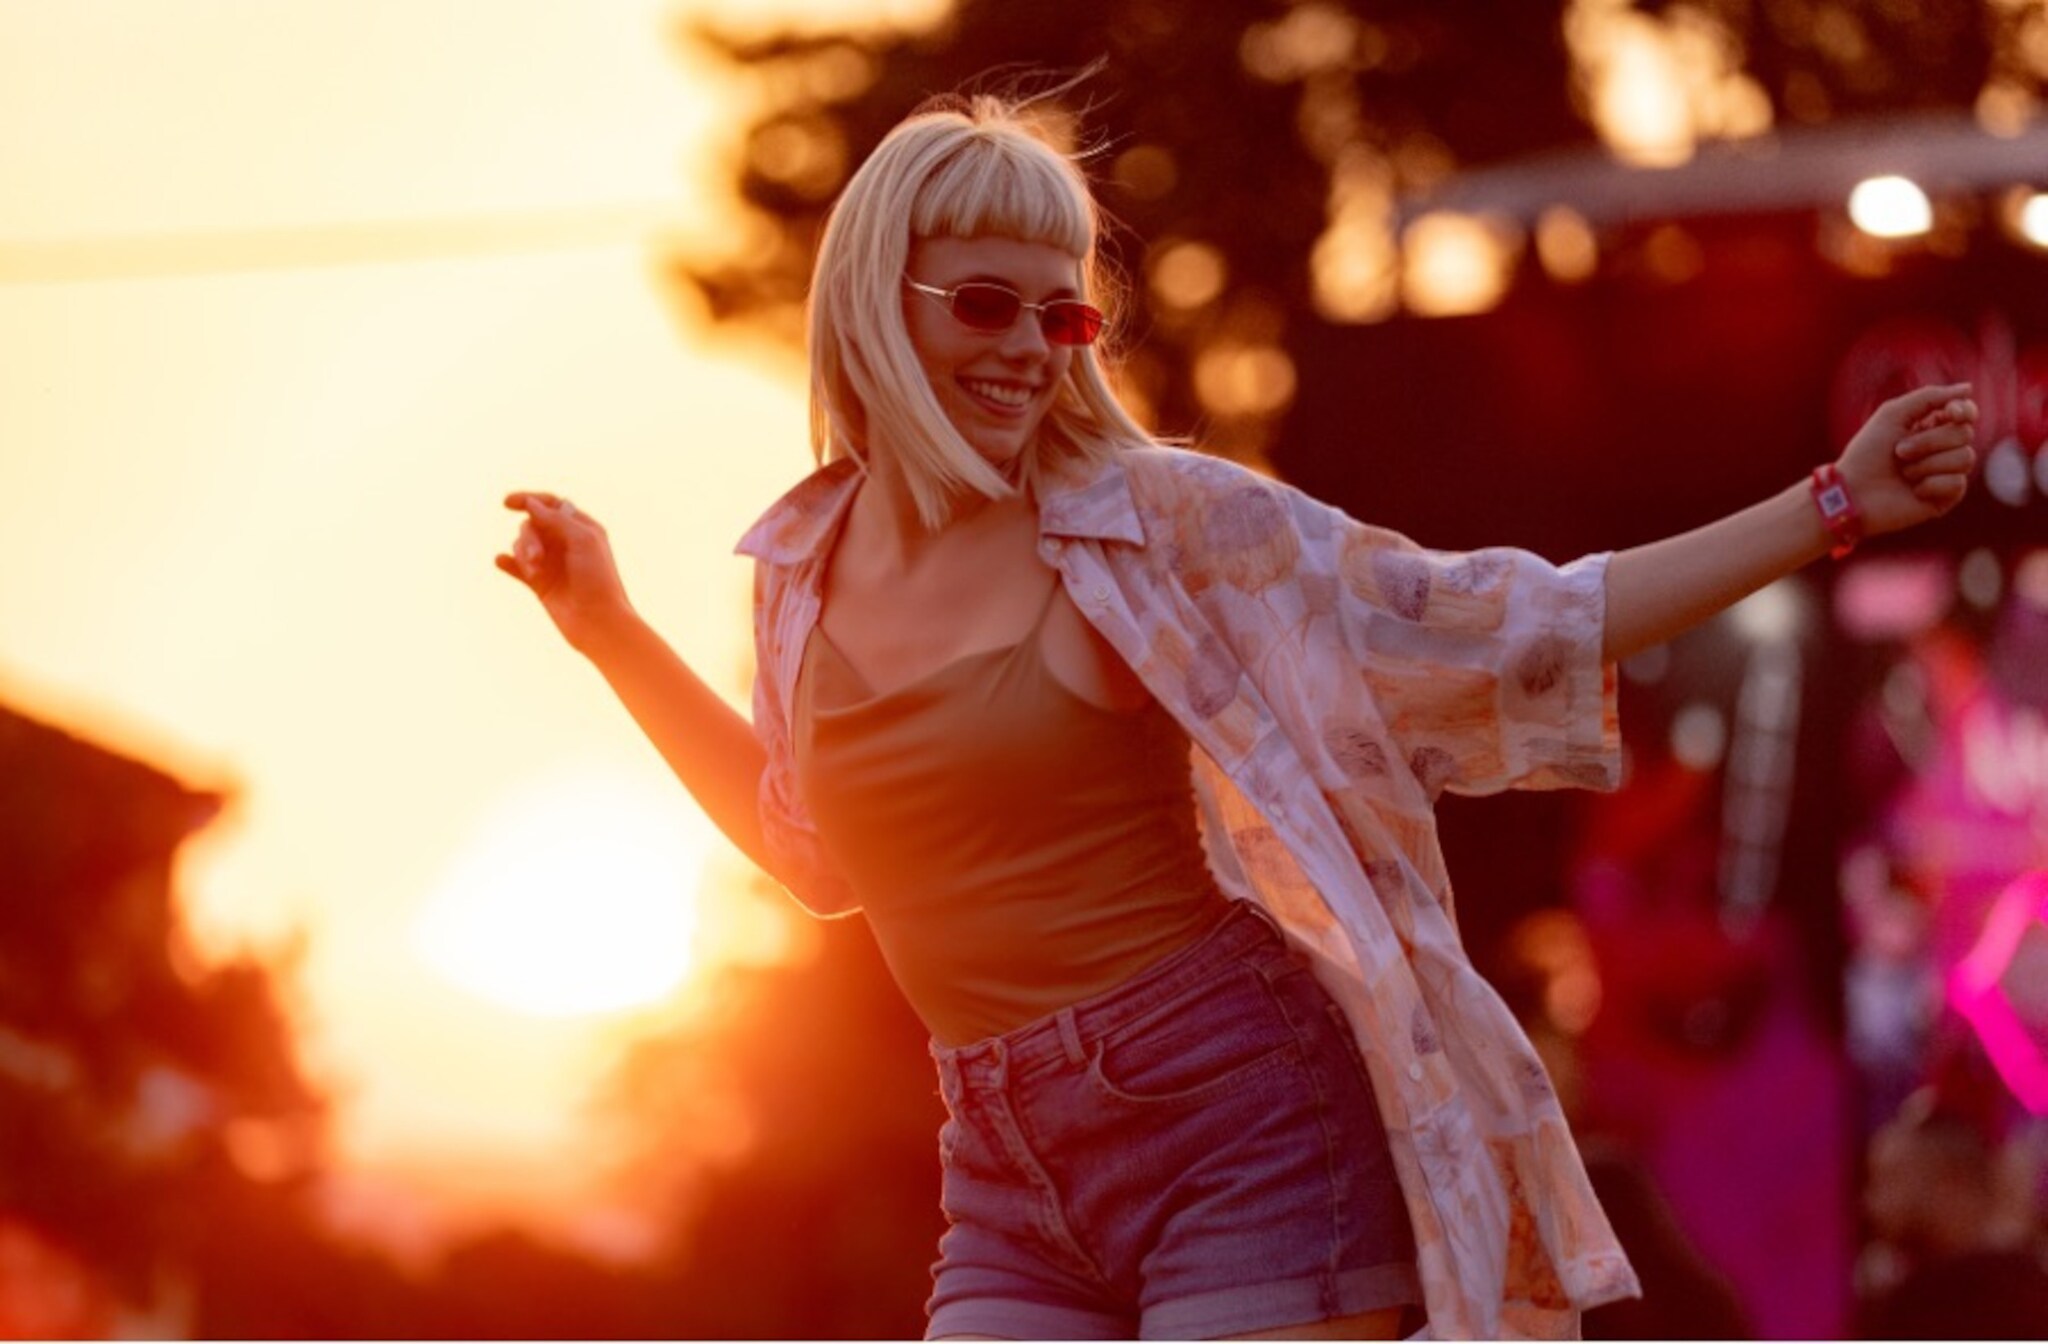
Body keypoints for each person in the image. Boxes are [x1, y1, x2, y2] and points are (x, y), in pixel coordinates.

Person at [495, 92, 1978, 1340]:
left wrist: (1830, 503)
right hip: (1003, 1168)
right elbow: (814, 854)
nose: (1029, 347)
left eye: (1061, 310)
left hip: (1243, 1122)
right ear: (876, 306)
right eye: (984, 303)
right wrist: (610, 631)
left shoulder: (1156, 524)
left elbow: (1501, 616)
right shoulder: (798, 567)